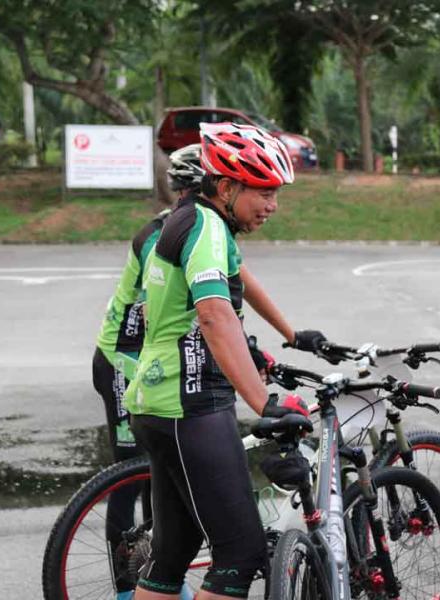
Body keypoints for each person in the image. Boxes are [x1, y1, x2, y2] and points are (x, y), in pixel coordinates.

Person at [123, 122, 325, 600]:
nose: (273, 205)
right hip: (190, 407)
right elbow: (213, 315)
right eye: (265, 192)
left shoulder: (186, 220)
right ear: (228, 186)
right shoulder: (206, 229)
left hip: (158, 402)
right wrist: (264, 403)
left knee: (171, 556)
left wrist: (269, 345)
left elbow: (180, 314)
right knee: (240, 553)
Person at [92, 143, 205, 598]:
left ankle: (159, 576)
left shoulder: (201, 226)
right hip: (124, 359)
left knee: (160, 474)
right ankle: (126, 588)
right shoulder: (162, 233)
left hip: (155, 358)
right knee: (131, 475)